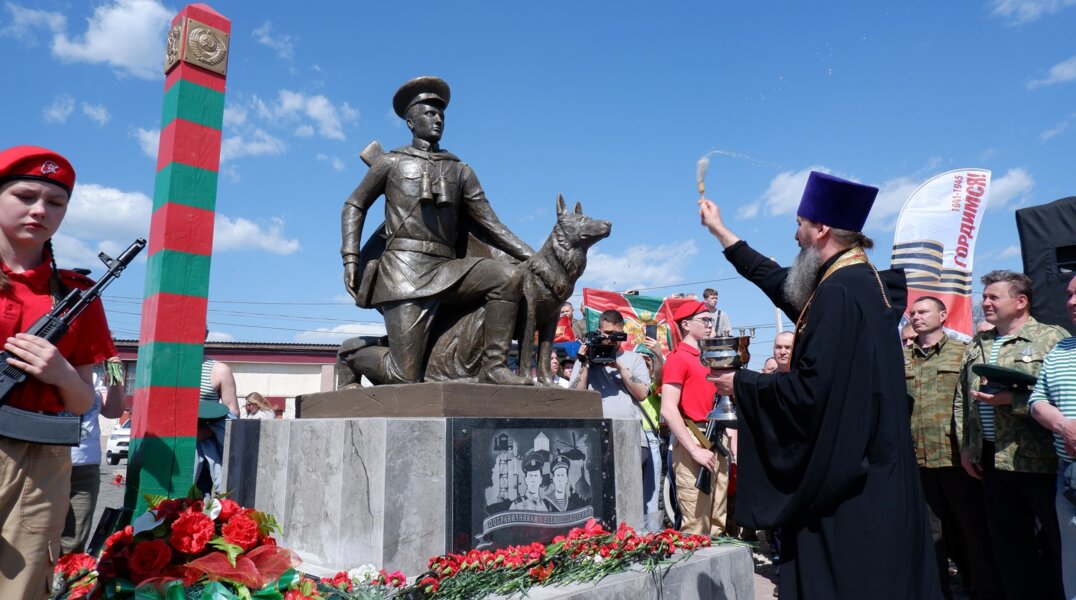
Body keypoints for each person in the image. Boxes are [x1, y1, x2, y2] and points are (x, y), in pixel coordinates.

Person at [699, 170, 939, 598]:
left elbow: (814, 393)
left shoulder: (839, 293)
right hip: (877, 475)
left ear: (821, 228)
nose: (794, 235)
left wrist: (744, 385)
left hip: (852, 492)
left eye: (799, 224)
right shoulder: (856, 281)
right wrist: (722, 233)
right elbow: (778, 281)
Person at [341, 76, 534, 385]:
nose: (438, 119)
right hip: (403, 272)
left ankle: (494, 367)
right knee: (404, 376)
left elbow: (491, 223)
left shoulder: (459, 169)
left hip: (447, 268)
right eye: (429, 113)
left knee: (508, 277)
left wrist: (534, 258)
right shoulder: (390, 162)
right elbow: (354, 205)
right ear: (410, 120)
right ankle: (352, 355)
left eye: (441, 113)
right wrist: (350, 260)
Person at [0, 146, 115, 598]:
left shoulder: (76, 295)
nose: (39, 210)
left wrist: (60, 373)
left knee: (24, 584)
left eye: (55, 202)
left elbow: (85, 401)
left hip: (42, 459)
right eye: (25, 195)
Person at [958, 270, 1067, 600]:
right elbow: (962, 397)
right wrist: (966, 447)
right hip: (992, 458)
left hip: (1039, 458)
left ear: (1021, 302)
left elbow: (1061, 396)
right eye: (985, 296)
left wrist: (1014, 401)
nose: (985, 302)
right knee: (1008, 544)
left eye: (994, 297)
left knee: (1056, 540)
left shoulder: (1052, 338)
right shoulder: (980, 342)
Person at [905, 296, 999, 599]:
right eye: (913, 313)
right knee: (931, 536)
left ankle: (984, 590)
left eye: (923, 311)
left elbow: (972, 406)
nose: (916, 317)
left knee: (972, 530)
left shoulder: (963, 354)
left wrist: (972, 449)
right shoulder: (903, 359)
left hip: (957, 459)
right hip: (918, 460)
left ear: (943, 314)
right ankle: (937, 591)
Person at [568, 309, 657, 529]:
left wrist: (619, 367)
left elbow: (642, 393)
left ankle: (632, 535)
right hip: (596, 438)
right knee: (599, 496)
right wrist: (585, 361)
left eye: (616, 335)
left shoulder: (633, 359)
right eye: (607, 334)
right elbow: (576, 395)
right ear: (599, 331)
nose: (611, 339)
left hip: (632, 438)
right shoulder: (586, 356)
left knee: (629, 495)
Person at [660, 300, 732, 537]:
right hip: (694, 435)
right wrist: (693, 449)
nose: (711, 324)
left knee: (718, 519)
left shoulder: (709, 357)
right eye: (705, 320)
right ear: (686, 325)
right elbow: (668, 409)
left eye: (711, 319)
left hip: (718, 437)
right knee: (696, 524)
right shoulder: (678, 358)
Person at [1029, 275, 1076, 599]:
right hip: (1069, 475)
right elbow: (1037, 400)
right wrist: (1063, 425)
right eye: (1070, 295)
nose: (1070, 302)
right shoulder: (1060, 350)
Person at [62, 356, 124, 555]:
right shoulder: (52, 366)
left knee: (75, 537)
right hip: (50, 460)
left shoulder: (95, 378)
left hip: (86, 464)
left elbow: (113, 411)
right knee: (38, 532)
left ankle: (63, 582)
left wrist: (116, 375)